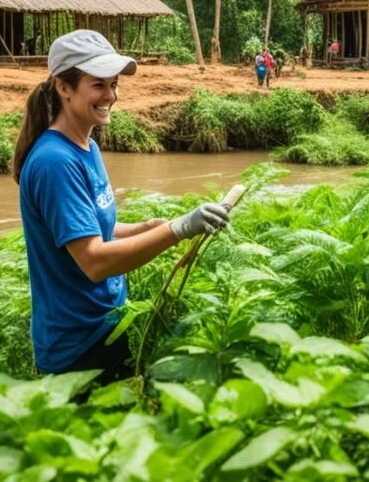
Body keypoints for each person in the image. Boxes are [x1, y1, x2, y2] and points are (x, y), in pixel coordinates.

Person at [13, 30, 231, 384]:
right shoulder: (55, 161)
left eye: (114, 85)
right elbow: (94, 261)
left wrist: (148, 227)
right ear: (63, 88)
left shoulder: (87, 148)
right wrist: (177, 230)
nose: (111, 96)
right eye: (98, 85)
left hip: (107, 325)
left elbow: (93, 229)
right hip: (77, 348)